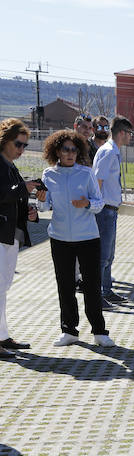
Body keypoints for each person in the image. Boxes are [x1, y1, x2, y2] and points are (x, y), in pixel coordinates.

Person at [39, 130, 114, 348]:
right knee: (65, 285)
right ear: (57, 151)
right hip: (60, 238)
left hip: (88, 237)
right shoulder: (48, 175)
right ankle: (69, 331)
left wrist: (87, 204)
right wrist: (41, 200)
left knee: (92, 285)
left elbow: (99, 203)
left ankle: (99, 331)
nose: (70, 153)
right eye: (65, 149)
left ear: (78, 151)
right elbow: (45, 207)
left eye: (74, 149)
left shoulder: (86, 173)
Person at [0, 118, 42, 358]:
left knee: (3, 287)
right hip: (2, 233)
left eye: (25, 145)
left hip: (10, 233)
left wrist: (31, 213)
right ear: (5, 140)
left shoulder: (9, 165)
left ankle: (3, 336)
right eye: (18, 144)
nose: (22, 150)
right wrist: (22, 189)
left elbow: (13, 199)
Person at [92, 115, 133, 308]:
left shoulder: (113, 151)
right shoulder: (108, 152)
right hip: (104, 210)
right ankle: (97, 295)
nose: (130, 137)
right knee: (102, 256)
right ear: (122, 133)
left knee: (109, 255)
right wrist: (98, 205)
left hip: (111, 210)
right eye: (130, 134)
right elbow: (98, 180)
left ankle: (106, 291)